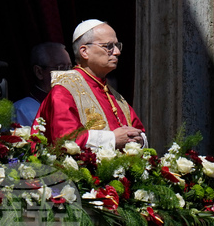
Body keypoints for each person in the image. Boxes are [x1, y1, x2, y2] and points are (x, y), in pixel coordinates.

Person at [35, 19, 145, 150]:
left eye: (117, 46)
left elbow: (139, 130)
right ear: (84, 51)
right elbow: (65, 139)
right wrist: (112, 140)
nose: (117, 52)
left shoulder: (113, 94)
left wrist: (138, 140)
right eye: (109, 46)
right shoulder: (64, 91)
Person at [13, 42, 71, 126]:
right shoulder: (22, 109)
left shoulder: (74, 102)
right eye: (60, 68)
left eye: (69, 67)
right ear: (39, 72)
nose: (68, 73)